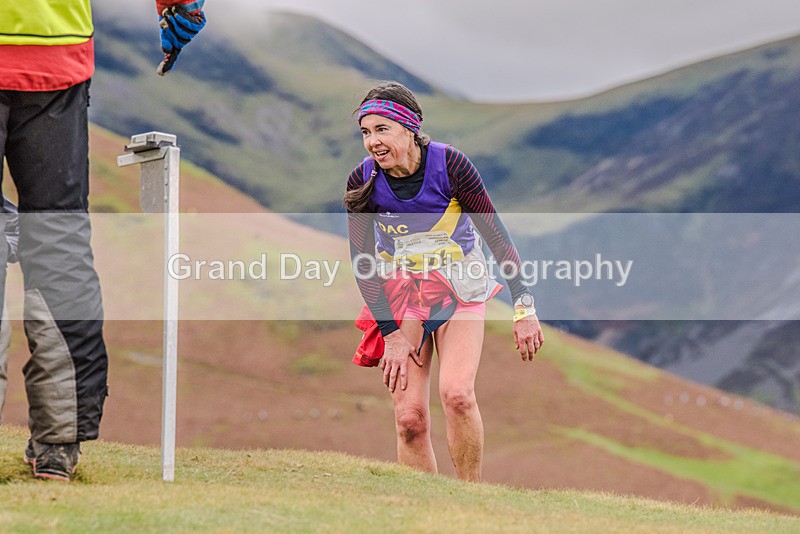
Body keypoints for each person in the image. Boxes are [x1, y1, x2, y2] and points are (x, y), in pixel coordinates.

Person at [0, 0, 205, 481]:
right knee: (59, 242)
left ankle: (58, 438)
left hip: (57, 57)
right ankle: (57, 443)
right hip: (57, 49)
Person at [345, 81, 544, 482]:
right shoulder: (362, 180)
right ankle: (427, 513)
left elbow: (496, 235)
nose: (372, 142)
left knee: (457, 395)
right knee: (409, 420)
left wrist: (524, 305)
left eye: (382, 129)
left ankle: (469, 503)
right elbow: (363, 263)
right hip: (402, 298)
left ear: (409, 127)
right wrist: (391, 335)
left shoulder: (451, 165)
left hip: (460, 290)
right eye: (366, 132)